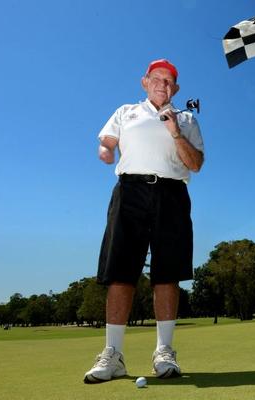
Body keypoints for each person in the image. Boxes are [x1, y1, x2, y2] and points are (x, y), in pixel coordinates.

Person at [84, 59, 204, 383]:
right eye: (157, 79)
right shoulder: (125, 112)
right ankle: (113, 355)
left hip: (172, 195)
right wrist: (105, 152)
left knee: (168, 274)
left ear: (175, 89)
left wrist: (175, 131)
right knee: (120, 272)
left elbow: (196, 164)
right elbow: (106, 143)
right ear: (145, 82)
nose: (162, 85)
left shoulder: (187, 118)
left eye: (169, 81)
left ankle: (164, 352)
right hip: (130, 192)